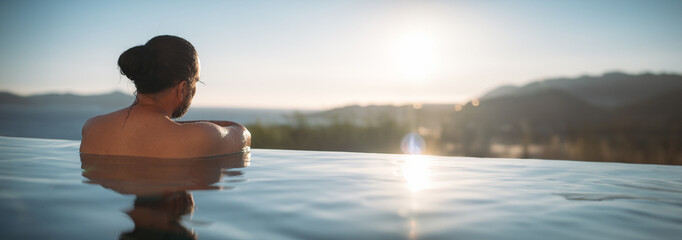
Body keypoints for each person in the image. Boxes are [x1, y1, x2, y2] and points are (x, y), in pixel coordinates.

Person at [80, 35, 250, 158]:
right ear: (182, 88)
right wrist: (173, 126)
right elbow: (242, 134)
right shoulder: (202, 136)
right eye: (195, 81)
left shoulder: (92, 128)